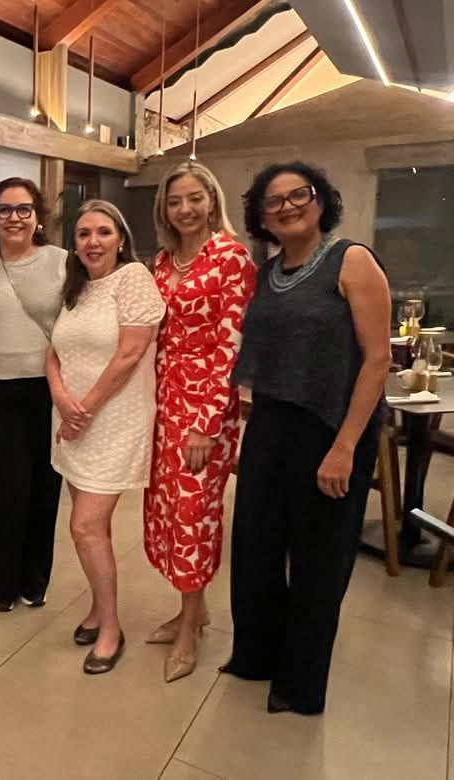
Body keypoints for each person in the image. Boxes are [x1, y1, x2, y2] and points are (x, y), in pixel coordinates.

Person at [221, 161, 390, 715]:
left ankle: (299, 685)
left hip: (332, 427)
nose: (288, 207)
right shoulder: (267, 272)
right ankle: (256, 656)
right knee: (256, 546)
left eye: (299, 195)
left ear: (321, 200)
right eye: (274, 201)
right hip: (271, 423)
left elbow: (377, 360)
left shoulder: (352, 260)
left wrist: (344, 447)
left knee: (318, 561)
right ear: (261, 215)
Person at [143, 162, 256, 683]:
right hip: (162, 404)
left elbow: (232, 346)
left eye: (194, 198)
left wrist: (207, 424)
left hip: (204, 410)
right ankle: (194, 608)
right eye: (174, 201)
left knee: (194, 515)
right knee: (170, 513)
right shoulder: (163, 261)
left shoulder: (231, 258)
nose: (185, 209)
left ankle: (190, 628)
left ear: (212, 201)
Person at [48, 199, 165, 674]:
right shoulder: (76, 287)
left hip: (114, 420)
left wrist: (85, 409)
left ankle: (112, 627)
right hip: (73, 421)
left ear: (121, 239)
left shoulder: (133, 279)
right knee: (93, 530)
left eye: (103, 232)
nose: (93, 242)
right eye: (83, 234)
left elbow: (130, 354)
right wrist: (62, 398)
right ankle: (98, 609)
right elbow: (54, 351)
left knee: (84, 526)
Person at [0, 177, 66, 612]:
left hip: (50, 387)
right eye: (4, 210)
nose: (14, 218)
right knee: (9, 488)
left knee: (46, 485)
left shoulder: (62, 261)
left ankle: (35, 577)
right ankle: (1, 576)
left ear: (37, 216)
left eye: (23, 209)